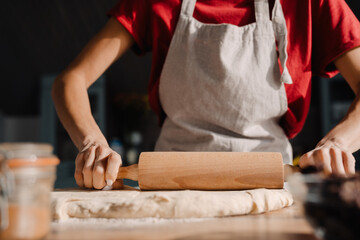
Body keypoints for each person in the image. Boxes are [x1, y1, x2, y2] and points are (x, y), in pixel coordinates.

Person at [52, 0, 360, 189]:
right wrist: (93, 143)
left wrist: (337, 144)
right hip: (168, 185)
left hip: (271, 183)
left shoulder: (311, 4)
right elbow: (70, 81)